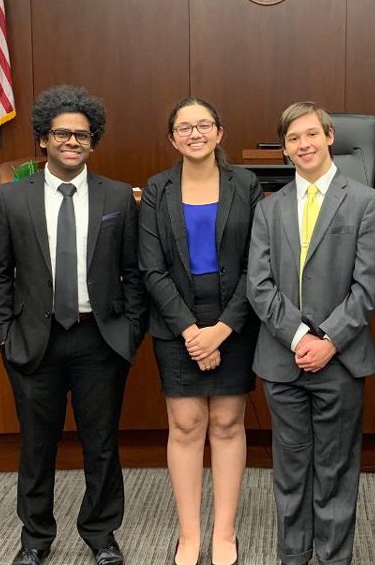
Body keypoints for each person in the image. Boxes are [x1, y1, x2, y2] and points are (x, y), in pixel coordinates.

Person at [0, 85, 147, 565]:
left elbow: (134, 273)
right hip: (35, 341)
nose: (72, 141)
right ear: (43, 139)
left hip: (100, 338)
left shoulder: (117, 195)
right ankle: (35, 537)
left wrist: (130, 329)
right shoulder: (14, 198)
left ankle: (101, 534)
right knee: (37, 447)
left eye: (82, 135)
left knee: (101, 444)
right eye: (62, 134)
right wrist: (3, 334)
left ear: (92, 142)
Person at [247, 101, 375, 565]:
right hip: (282, 361)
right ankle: (293, 556)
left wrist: (327, 340)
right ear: (284, 150)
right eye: (292, 139)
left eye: (311, 134)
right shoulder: (269, 209)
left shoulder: (367, 201)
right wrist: (297, 338)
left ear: (330, 136)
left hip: (340, 359)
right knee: (289, 469)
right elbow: (258, 284)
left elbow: (368, 288)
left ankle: (332, 558)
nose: (303, 144)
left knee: (334, 469)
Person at [139, 97, 263, 565]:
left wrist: (222, 330)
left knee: (229, 424)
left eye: (204, 125)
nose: (195, 133)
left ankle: (224, 533)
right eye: (185, 127)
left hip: (235, 319)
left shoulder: (246, 184)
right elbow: (151, 270)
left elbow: (258, 264)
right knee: (187, 425)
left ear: (219, 132)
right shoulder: (157, 188)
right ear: (173, 138)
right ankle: (189, 534)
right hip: (177, 322)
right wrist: (192, 331)